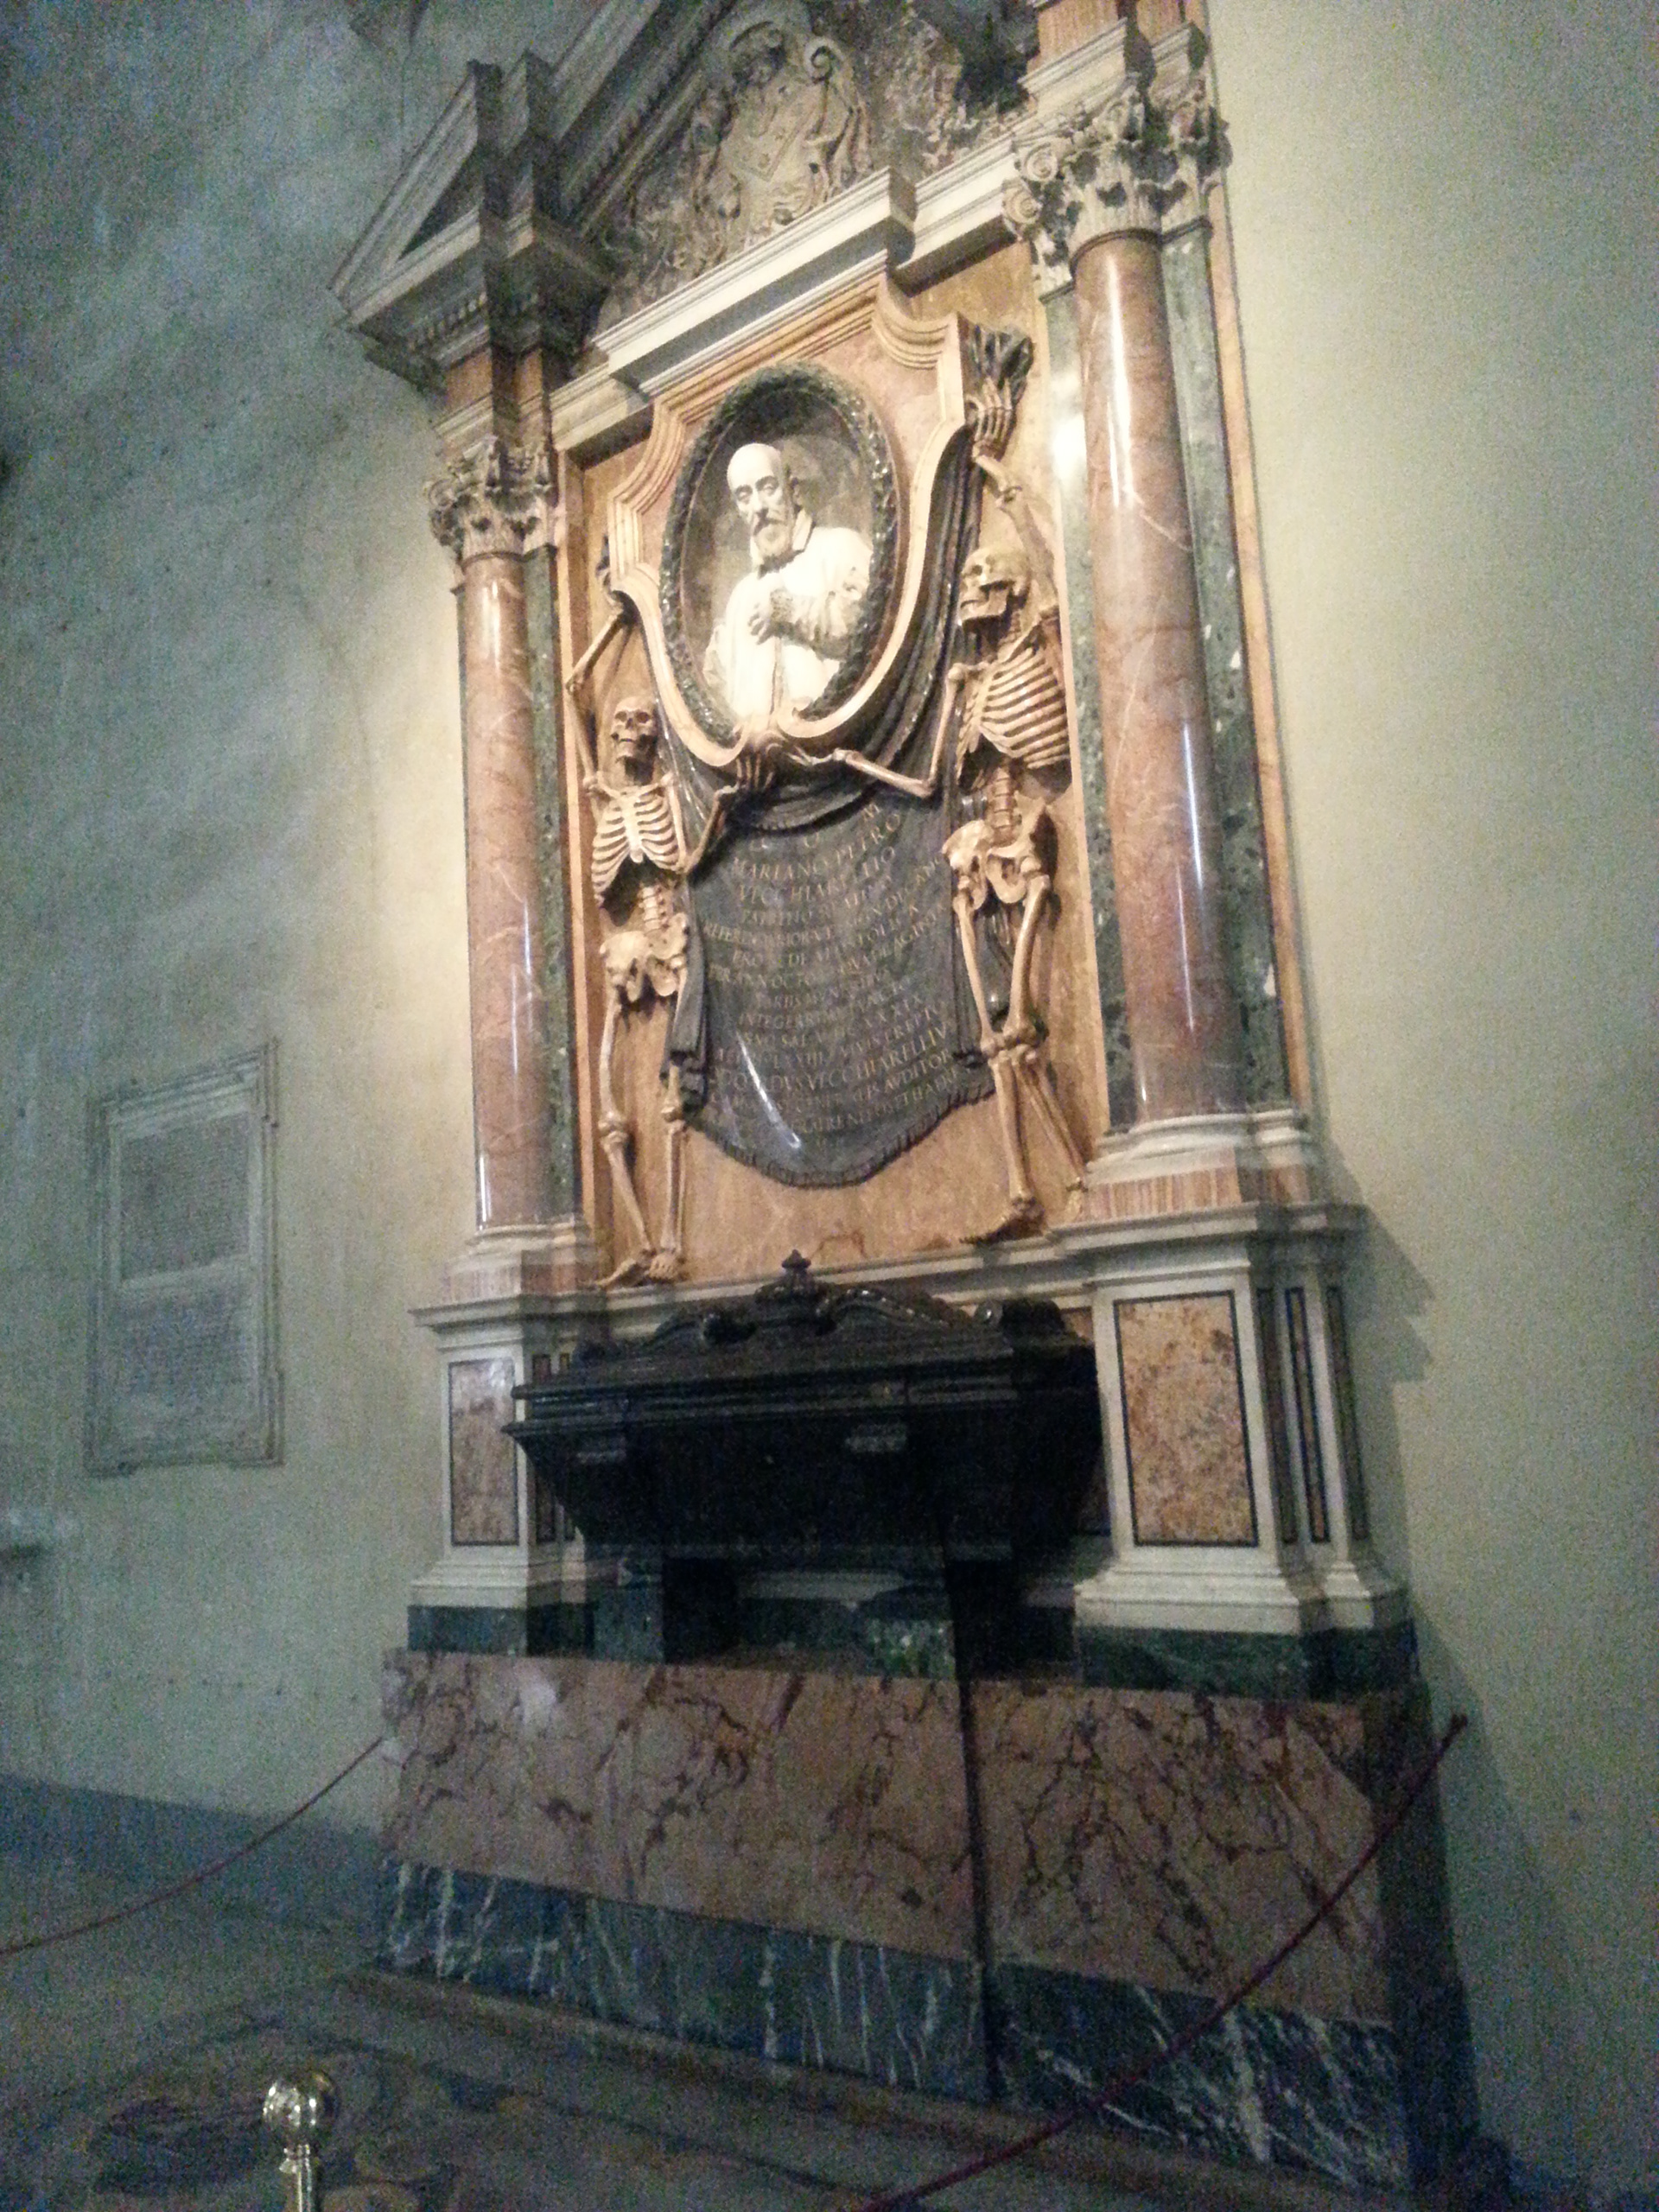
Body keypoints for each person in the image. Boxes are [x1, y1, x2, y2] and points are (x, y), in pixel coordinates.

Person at [702, 442, 871, 730]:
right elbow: (718, 684)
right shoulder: (740, 598)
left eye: (768, 488)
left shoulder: (840, 548)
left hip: (841, 744)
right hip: (756, 768)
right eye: (744, 496)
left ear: (792, 489)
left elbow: (869, 625)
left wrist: (791, 610)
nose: (759, 507)